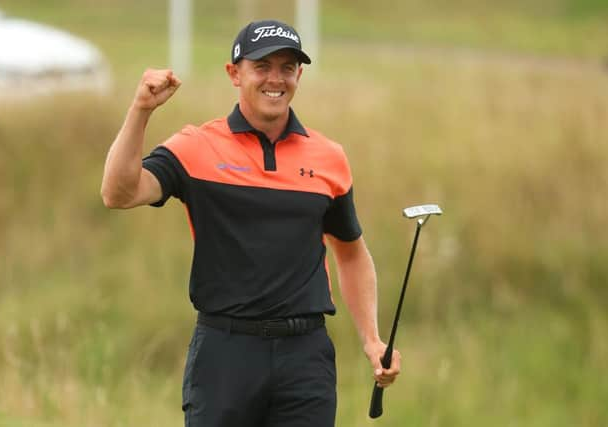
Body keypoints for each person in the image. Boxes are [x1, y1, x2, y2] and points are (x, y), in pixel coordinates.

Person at [101, 19, 400, 427]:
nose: (275, 79)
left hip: (305, 357)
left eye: (287, 67)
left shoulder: (329, 157)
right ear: (234, 73)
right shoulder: (196, 146)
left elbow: (351, 254)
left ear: (299, 74)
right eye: (262, 66)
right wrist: (141, 110)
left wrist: (371, 340)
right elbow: (118, 193)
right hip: (225, 353)